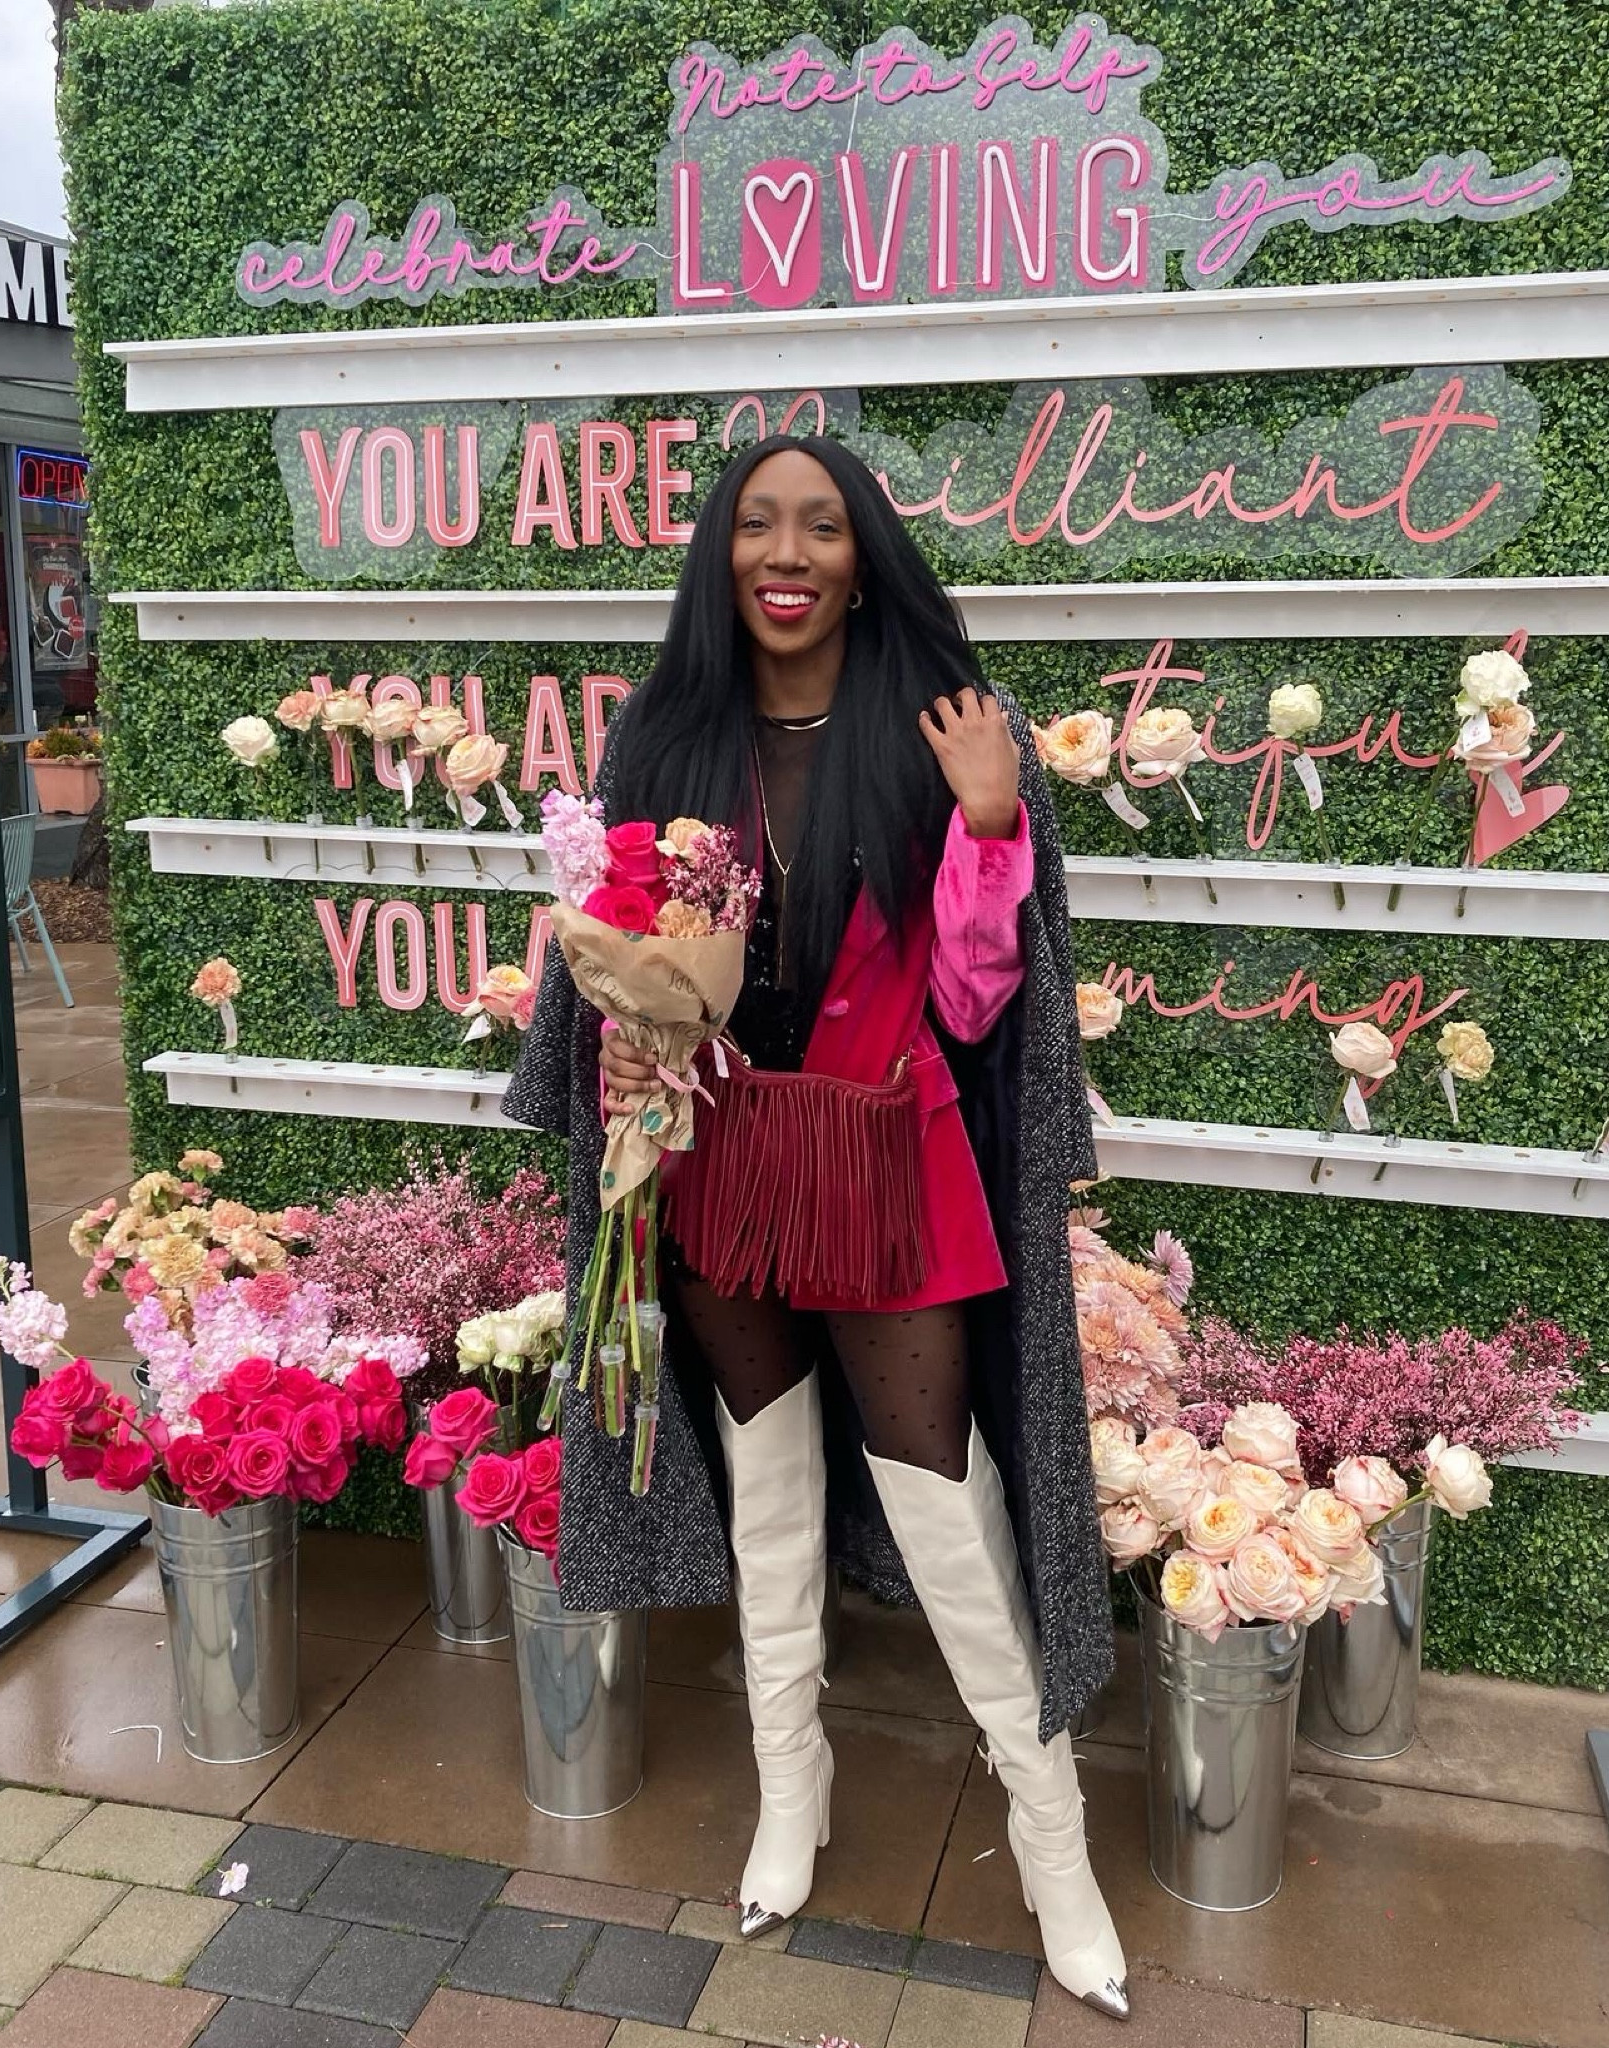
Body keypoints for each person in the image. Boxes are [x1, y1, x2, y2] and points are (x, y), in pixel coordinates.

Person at [506, 435, 1126, 2021]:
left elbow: (986, 1002)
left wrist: (991, 823)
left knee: (942, 1494)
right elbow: (630, 956)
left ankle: (1050, 1839)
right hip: (714, 1153)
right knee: (763, 1470)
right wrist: (607, 997)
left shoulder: (944, 731)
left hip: (885, 1155)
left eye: (825, 526)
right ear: (722, 554)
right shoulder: (668, 732)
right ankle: (796, 1785)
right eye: (758, 523)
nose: (789, 551)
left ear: (865, 554)